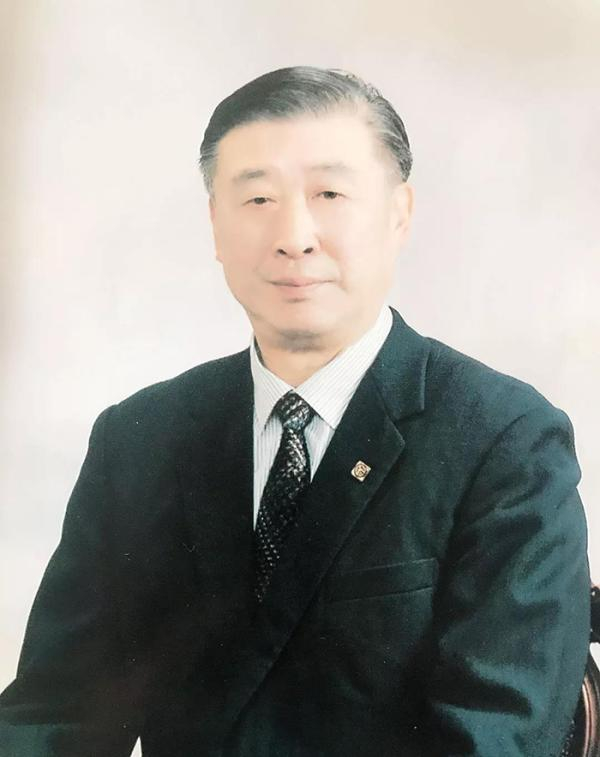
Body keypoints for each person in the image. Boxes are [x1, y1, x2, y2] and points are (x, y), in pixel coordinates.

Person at [0, 66, 591, 757]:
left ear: (399, 213)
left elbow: (494, 737)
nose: (294, 236)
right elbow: (54, 710)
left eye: (329, 194)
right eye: (257, 198)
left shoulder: (505, 440)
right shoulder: (140, 438)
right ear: (215, 225)